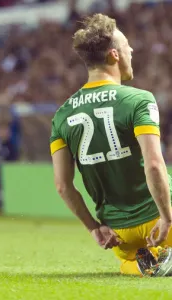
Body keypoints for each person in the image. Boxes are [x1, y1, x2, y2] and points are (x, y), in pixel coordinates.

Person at [50, 14, 172, 277]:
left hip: (119, 235)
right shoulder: (138, 100)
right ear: (115, 55)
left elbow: (62, 186)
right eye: (127, 45)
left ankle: (139, 264)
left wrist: (93, 227)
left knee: (128, 259)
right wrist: (167, 217)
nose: (132, 50)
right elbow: (153, 164)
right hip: (160, 222)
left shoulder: (61, 115)